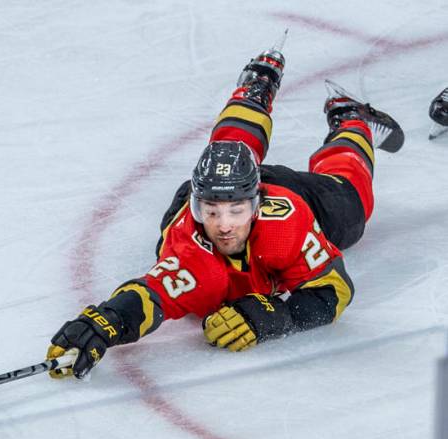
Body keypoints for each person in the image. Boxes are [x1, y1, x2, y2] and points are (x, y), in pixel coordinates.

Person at [46, 46, 404, 379]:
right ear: (197, 207)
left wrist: (276, 316)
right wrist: (105, 324)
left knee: (351, 207)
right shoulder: (191, 254)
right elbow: (151, 295)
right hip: (223, 196)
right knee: (227, 152)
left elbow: (334, 289)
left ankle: (349, 118)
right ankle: (255, 90)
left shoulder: (287, 222)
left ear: (256, 205)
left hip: (289, 192)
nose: (224, 226)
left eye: (236, 211)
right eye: (210, 211)